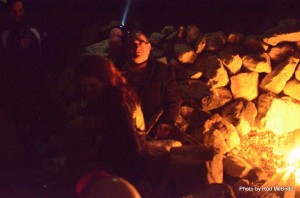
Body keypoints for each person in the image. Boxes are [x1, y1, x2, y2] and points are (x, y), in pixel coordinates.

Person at [64, 55, 147, 188]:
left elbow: (131, 146)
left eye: (92, 86)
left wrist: (96, 156)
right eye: (84, 86)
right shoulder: (111, 93)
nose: (87, 91)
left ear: (105, 80)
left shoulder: (117, 102)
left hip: (126, 168)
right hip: (117, 158)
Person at [123, 31, 182, 139]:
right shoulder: (117, 73)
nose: (137, 48)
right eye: (133, 44)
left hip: (152, 131)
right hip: (124, 130)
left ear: (149, 47)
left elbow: (173, 100)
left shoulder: (164, 71)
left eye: (141, 43)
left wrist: (167, 122)